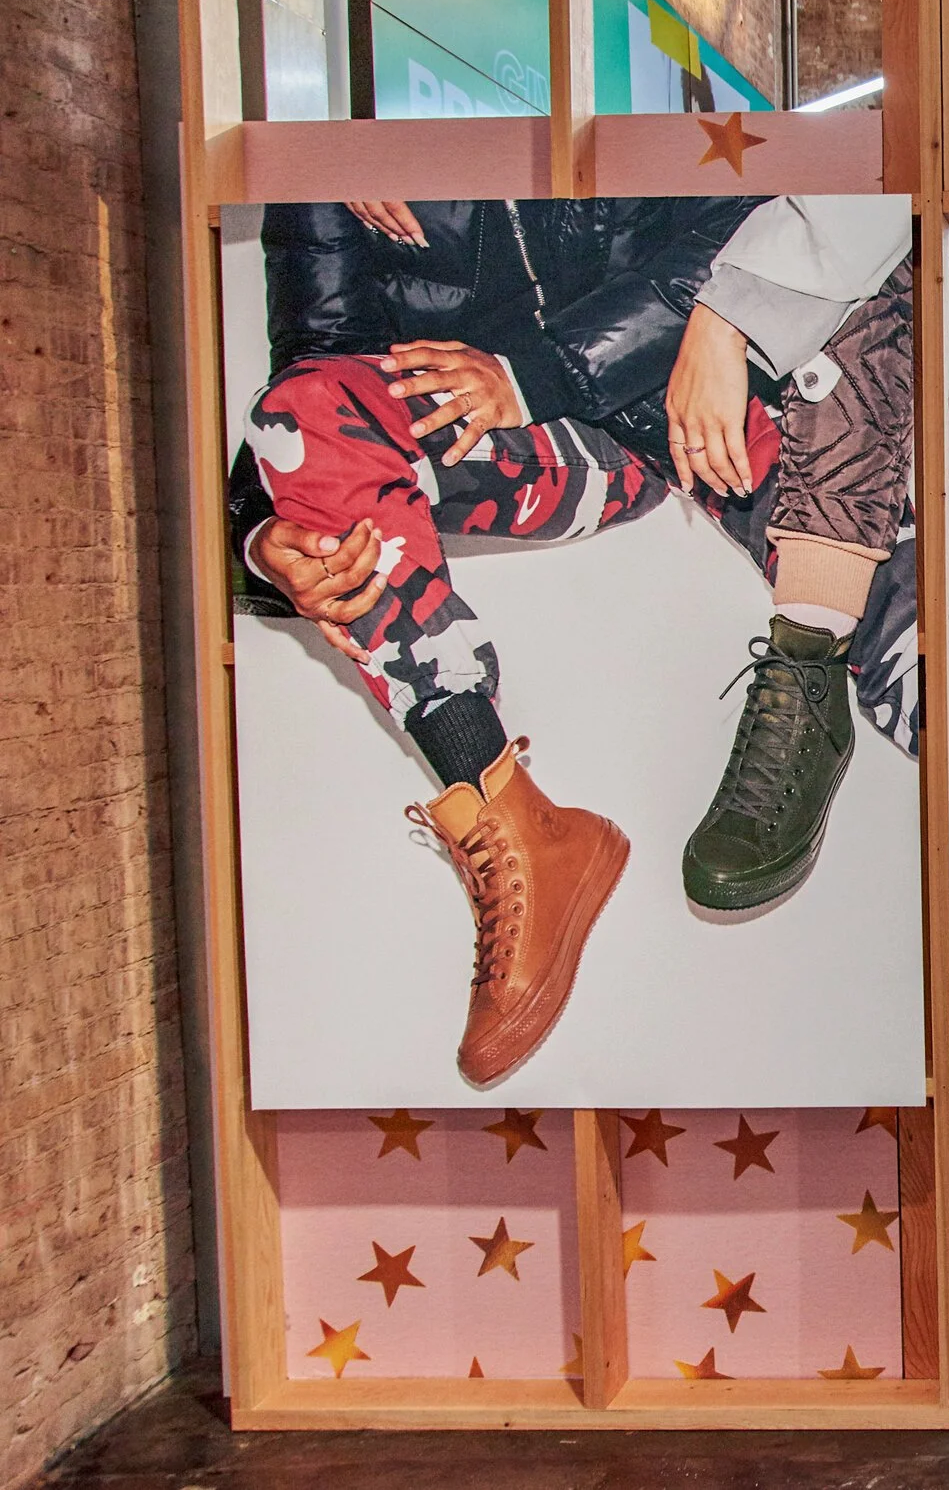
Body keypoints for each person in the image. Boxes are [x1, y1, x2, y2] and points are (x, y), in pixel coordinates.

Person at [229, 195, 914, 1087]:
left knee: (901, 620)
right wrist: (269, 534)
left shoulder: (600, 93)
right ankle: (511, 814)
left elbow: (745, 212)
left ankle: (818, 674)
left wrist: (545, 370)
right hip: (524, 436)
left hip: (683, 386)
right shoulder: (330, 159)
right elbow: (315, 359)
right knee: (306, 418)